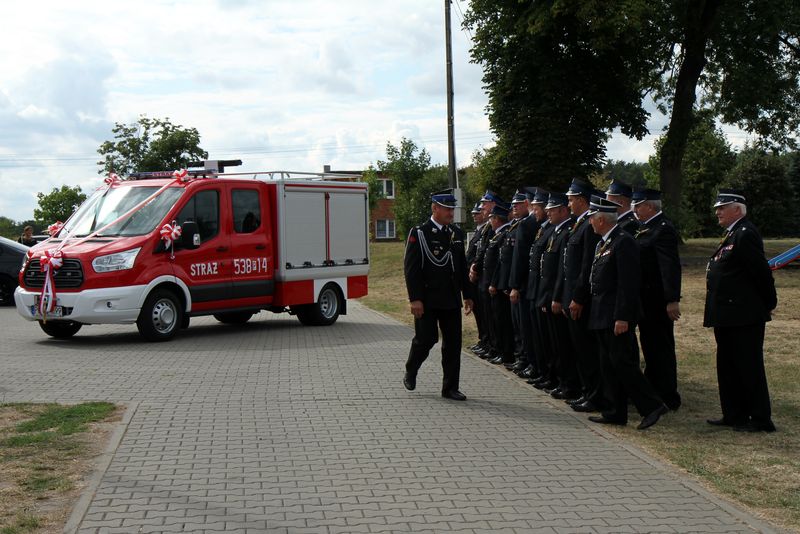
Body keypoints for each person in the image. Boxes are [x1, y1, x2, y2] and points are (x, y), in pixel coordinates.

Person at [585, 195, 669, 430]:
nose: (590, 221)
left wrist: (622, 316)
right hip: (601, 313)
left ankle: (652, 406)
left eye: (592, 218)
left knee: (623, 363)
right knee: (608, 365)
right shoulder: (605, 242)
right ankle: (614, 411)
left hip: (615, 315)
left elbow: (628, 284)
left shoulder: (624, 242)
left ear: (601, 219)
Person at [704, 189, 777, 432]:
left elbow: (761, 273)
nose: (717, 212)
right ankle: (733, 413)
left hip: (744, 315)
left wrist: (768, 303)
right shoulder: (732, 234)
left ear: (737, 209)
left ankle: (759, 418)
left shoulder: (745, 234)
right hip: (727, 314)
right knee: (728, 365)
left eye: (722, 208)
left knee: (748, 366)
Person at [404, 189, 474, 401]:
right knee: (426, 339)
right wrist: (415, 298)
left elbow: (462, 267)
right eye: (446, 208)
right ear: (435, 208)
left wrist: (468, 295)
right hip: (427, 298)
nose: (450, 212)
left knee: (453, 344)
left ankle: (450, 388)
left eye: (452, 208)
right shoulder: (420, 233)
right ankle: (412, 368)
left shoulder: (455, 234)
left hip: (451, 298)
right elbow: (411, 268)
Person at [631, 188, 682, 411]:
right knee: (650, 346)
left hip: (657, 300)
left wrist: (671, 299)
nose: (635, 209)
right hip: (645, 298)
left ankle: (668, 395)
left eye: (638, 205)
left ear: (651, 206)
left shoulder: (663, 229)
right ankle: (653, 389)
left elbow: (669, 267)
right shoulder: (645, 228)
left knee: (660, 348)